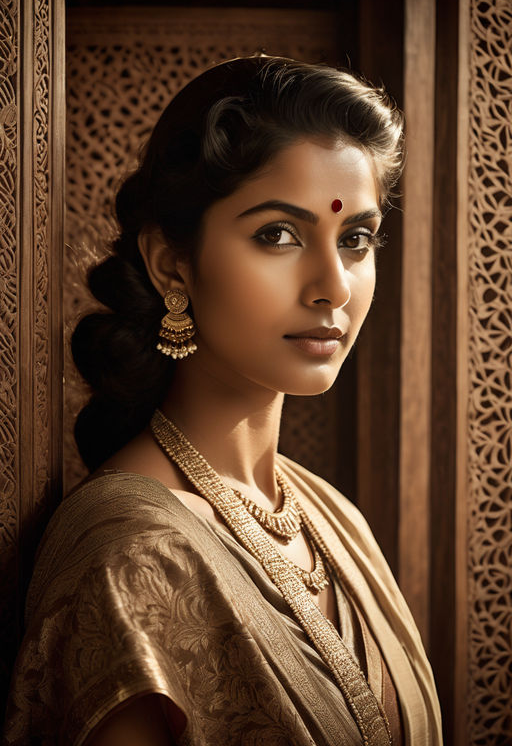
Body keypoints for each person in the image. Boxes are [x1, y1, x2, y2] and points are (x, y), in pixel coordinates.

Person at [4, 56, 442, 746]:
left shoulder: (335, 521)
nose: (333, 285)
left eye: (355, 238)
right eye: (279, 235)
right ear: (171, 263)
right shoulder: (131, 561)